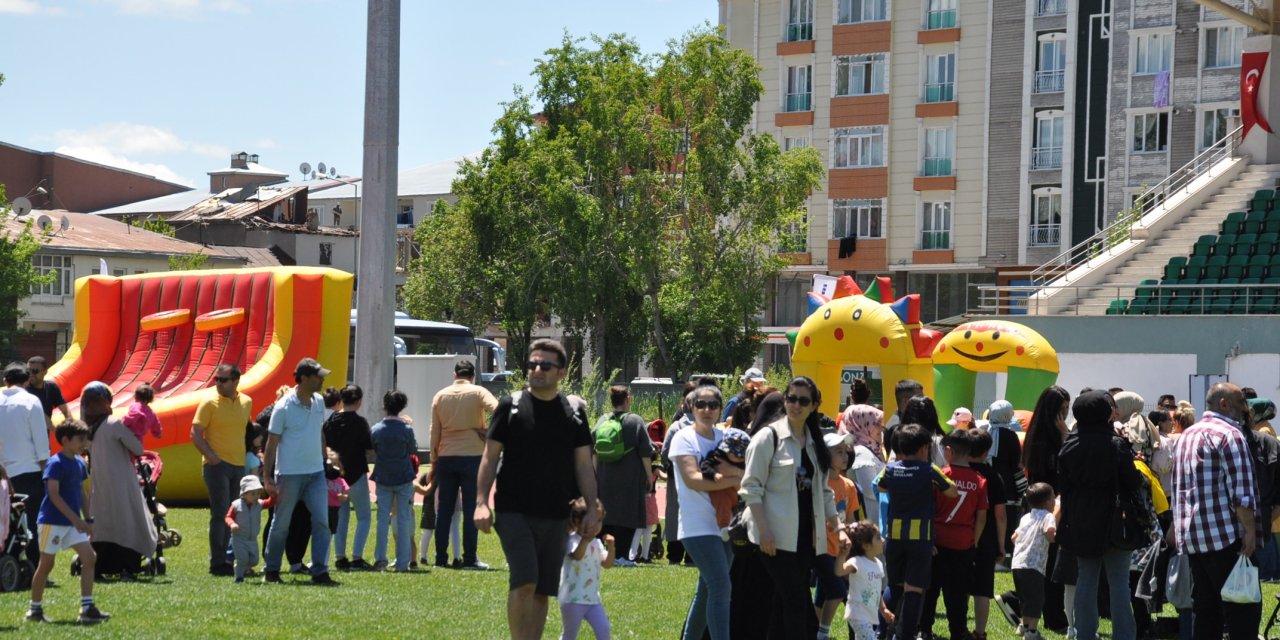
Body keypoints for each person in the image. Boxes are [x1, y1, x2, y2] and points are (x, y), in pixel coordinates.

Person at [475, 338, 599, 640]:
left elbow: (584, 465)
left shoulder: (574, 412)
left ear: (562, 372)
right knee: (525, 580)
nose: (536, 370)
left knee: (543, 591)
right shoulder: (510, 406)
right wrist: (481, 501)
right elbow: (490, 457)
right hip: (513, 509)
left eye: (545, 365)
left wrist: (593, 508)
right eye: (532, 364)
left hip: (557, 514)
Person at [741, 376, 839, 640]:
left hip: (806, 538)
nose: (795, 404)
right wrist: (764, 531)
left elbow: (823, 489)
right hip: (774, 538)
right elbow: (751, 489)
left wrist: (836, 523)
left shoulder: (815, 443)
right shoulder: (767, 437)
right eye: (791, 398)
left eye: (803, 400)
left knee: (783, 602)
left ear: (815, 405)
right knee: (796, 601)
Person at [1172, 382, 1263, 639]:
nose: (1245, 410)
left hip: (1195, 538)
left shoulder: (1187, 436)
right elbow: (1241, 492)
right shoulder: (1229, 434)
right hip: (1226, 537)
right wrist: (1249, 531)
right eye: (1241, 404)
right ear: (1224, 404)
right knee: (1243, 609)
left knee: (1205, 612)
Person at [1057, 390, 1141, 640]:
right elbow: (1133, 482)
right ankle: (1124, 635)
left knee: (1086, 579)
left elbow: (1064, 486)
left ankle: (1084, 633)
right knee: (1118, 583)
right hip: (1116, 521)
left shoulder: (1068, 447)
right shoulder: (1116, 445)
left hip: (1081, 520)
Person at [670, 384, 740, 640]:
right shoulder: (683, 438)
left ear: (721, 409)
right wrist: (733, 480)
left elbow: (744, 474)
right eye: (701, 404)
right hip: (696, 527)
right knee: (721, 586)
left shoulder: (726, 439)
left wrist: (736, 479)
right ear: (691, 407)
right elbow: (694, 480)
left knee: (708, 590)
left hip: (727, 525)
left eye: (713, 405)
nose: (707, 410)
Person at [876, 423, 958, 640]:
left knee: (894, 585)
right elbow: (952, 492)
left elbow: (881, 486)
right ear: (924, 448)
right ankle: (907, 635)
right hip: (920, 538)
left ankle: (881, 632)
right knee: (914, 588)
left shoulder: (891, 468)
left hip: (894, 535)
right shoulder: (929, 470)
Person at [26, 419, 110, 625]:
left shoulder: (80, 463)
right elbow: (54, 496)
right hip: (52, 522)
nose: (84, 443)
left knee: (89, 557)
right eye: (80, 439)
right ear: (65, 440)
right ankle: (34, 610)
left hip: (73, 523)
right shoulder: (55, 464)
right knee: (46, 564)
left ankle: (87, 608)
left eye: (85, 439)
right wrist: (76, 520)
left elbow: (81, 494)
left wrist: (88, 519)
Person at [263, 358, 336, 585]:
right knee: (281, 524)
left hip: (316, 473)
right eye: (318, 376)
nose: (323, 379)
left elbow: (320, 432)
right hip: (289, 475)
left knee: (322, 523)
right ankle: (272, 570)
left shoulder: (319, 402)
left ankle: (320, 571)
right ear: (304, 378)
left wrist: (325, 460)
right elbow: (271, 443)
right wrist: (267, 477)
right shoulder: (283, 406)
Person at [84, 381, 158, 577]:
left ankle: (101, 566)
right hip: (121, 483)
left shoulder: (89, 429)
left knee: (103, 525)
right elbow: (138, 449)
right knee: (126, 523)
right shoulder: (114, 424)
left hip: (100, 484)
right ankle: (127, 566)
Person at [430, 360, 498, 570]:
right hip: (473, 455)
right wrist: (488, 432)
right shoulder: (478, 392)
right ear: (472, 375)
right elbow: (498, 409)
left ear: (454, 374)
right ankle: (470, 558)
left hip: (447, 456)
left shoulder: (440, 395)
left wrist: (434, 459)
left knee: (444, 509)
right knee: (471, 508)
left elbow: (435, 431)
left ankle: (440, 558)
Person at [923, 429, 988, 640]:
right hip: (963, 545)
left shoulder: (941, 475)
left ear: (948, 451)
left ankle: (925, 629)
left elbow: (929, 509)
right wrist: (974, 541)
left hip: (937, 542)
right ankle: (958, 631)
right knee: (958, 593)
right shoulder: (980, 481)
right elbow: (981, 517)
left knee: (931, 590)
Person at [1018, 385, 1071, 633]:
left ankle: (1039, 612)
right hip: (1049, 508)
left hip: (1044, 507)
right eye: (1063, 411)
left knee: (1045, 565)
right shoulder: (1045, 442)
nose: (1065, 416)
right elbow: (1061, 468)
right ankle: (1052, 615)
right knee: (1049, 567)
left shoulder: (1038, 437)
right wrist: (1065, 436)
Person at [191, 363, 252, 576]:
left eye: (223, 380)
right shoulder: (209, 402)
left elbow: (245, 431)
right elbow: (195, 433)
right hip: (217, 467)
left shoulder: (246, 402)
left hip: (238, 465)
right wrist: (211, 457)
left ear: (235, 381)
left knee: (233, 514)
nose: (218, 382)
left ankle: (227, 558)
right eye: (216, 379)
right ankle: (217, 563)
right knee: (220, 514)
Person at [594, 384, 655, 568]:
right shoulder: (635, 421)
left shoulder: (602, 420)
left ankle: (604, 552)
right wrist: (648, 475)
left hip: (605, 477)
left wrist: (596, 474)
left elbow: (593, 449)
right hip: (629, 477)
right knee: (628, 513)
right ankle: (621, 555)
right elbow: (646, 452)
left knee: (607, 514)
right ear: (628, 399)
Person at [0, 362, 50, 568]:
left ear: (5, 381)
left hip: (2, 471)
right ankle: (33, 567)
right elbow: (40, 440)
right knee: (30, 523)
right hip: (28, 470)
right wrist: (46, 470)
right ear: (27, 380)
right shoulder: (32, 401)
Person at [815, 432, 859, 640]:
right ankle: (822, 633)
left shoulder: (849, 485)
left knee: (827, 595)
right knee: (837, 591)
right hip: (822, 549)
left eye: (845, 452)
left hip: (841, 551)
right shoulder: (818, 484)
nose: (845, 457)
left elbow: (850, 520)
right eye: (838, 452)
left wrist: (852, 544)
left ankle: (854, 634)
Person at [325, 384, 374, 571]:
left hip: (336, 476)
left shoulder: (330, 421)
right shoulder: (360, 422)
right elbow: (369, 448)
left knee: (341, 517)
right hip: (356, 474)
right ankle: (357, 556)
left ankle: (340, 556)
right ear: (359, 401)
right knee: (364, 516)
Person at [371, 389, 417, 572]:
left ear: (385, 406)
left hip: (383, 477)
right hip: (403, 477)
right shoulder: (406, 429)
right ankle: (402, 562)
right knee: (404, 520)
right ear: (402, 407)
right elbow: (412, 449)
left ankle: (380, 559)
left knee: (382, 519)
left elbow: (373, 449)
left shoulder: (376, 429)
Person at [968, 428, 1007, 640]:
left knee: (960, 584)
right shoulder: (993, 477)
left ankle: (959, 626)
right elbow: (1000, 515)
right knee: (983, 588)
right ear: (987, 451)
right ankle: (980, 632)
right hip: (988, 537)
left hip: (961, 535)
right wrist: (1001, 545)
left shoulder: (955, 472)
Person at [559, 497, 615, 640]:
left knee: (604, 629)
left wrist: (611, 547)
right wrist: (585, 540)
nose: (597, 525)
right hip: (572, 598)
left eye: (600, 520)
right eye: (593, 520)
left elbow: (607, 563)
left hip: (592, 599)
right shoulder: (571, 540)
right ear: (577, 521)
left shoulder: (596, 543)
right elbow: (577, 555)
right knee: (569, 635)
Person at [1011, 483, 1057, 640]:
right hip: (1034, 564)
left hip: (1017, 562)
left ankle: (1023, 627)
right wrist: (1059, 537)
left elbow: (1013, 538)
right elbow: (1049, 533)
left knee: (1024, 597)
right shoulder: (1048, 516)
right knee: (1037, 599)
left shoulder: (1025, 517)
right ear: (1048, 502)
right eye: (1053, 498)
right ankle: (1032, 632)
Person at [835, 521, 893, 640]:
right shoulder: (857, 562)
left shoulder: (878, 564)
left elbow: (876, 591)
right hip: (857, 614)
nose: (882, 540)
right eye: (878, 538)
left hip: (868, 614)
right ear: (866, 545)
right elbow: (839, 571)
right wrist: (841, 556)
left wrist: (883, 609)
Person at [840, 404, 886, 529]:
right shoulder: (861, 452)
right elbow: (870, 489)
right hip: (870, 526)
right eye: (876, 424)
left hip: (876, 522)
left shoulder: (872, 448)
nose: (881, 428)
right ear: (860, 424)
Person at [225, 474, 273, 583]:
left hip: (252, 539)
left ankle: (242, 567)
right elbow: (228, 517)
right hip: (239, 538)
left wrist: (274, 495)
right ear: (244, 493)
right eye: (253, 494)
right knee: (242, 559)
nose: (256, 496)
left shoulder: (259, 504)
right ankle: (239, 577)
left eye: (258, 493)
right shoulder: (236, 505)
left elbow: (270, 503)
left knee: (254, 560)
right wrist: (232, 524)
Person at [25, 356, 70, 430]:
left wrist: (71, 426)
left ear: (45, 372)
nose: (31, 374)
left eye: (35, 371)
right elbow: (40, 416)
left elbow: (65, 410)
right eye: (28, 371)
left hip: (43, 437)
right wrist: (56, 431)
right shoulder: (23, 390)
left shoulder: (51, 388)